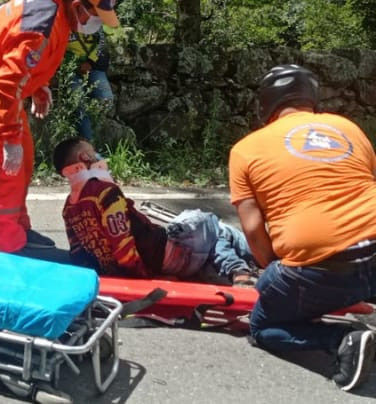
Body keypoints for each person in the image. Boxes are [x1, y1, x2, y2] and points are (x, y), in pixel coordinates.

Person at [0, 0, 120, 262]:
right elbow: (8, 80)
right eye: (94, 17)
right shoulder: (42, 21)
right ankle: (9, 247)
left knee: (23, 159)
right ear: (78, 5)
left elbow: (26, 61)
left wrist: (40, 87)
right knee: (3, 167)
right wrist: (8, 137)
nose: (95, 25)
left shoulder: (58, 11)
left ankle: (18, 230)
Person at [229, 64, 376, 392]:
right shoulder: (347, 127)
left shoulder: (246, 149)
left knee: (263, 326)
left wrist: (273, 273)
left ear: (267, 103)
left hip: (322, 270)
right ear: (311, 99)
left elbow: (253, 231)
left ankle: (343, 340)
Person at [53, 137, 256, 284]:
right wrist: (147, 279)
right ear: (86, 156)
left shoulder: (69, 208)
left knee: (205, 230)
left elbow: (78, 253)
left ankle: (223, 266)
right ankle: (241, 269)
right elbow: (123, 246)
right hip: (167, 255)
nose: (98, 155)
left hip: (159, 256)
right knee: (210, 223)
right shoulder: (106, 193)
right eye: (94, 150)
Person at [65, 27, 114, 141]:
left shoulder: (91, 18)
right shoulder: (58, 23)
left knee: (106, 100)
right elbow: (54, 48)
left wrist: (90, 62)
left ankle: (94, 138)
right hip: (70, 69)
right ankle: (88, 144)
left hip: (93, 66)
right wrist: (71, 64)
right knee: (78, 105)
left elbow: (101, 42)